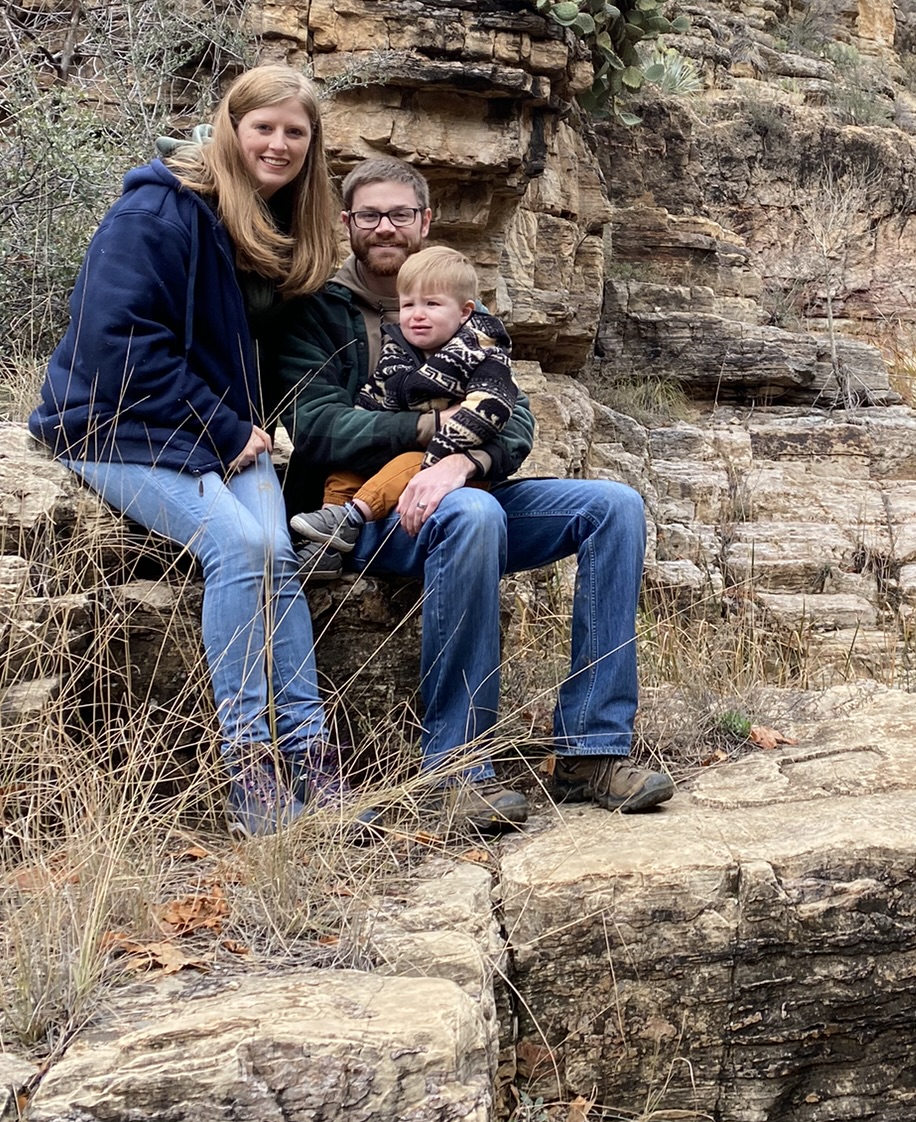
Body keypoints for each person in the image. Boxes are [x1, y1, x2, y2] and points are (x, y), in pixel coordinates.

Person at [274, 154, 672, 824]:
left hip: (459, 490)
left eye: (401, 214)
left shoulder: (463, 306)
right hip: (360, 515)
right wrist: (429, 427)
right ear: (346, 223)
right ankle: (455, 772)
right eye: (370, 214)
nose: (385, 226)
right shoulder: (316, 309)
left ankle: (590, 752)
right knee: (474, 516)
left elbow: (514, 418)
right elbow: (311, 425)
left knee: (615, 508)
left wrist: (461, 463)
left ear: (424, 220)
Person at [30, 65, 343, 836]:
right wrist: (229, 427)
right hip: (107, 423)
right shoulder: (157, 211)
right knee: (236, 543)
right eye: (262, 126)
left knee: (275, 547)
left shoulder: (249, 217)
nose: (277, 143)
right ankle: (249, 764)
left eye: (294, 132)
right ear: (230, 129)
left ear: (311, 147)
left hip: (201, 431)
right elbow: (118, 344)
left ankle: (308, 747)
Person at [287, 244, 523, 573]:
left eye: (432, 304)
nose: (418, 314)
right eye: (408, 305)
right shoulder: (399, 350)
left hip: (450, 465)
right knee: (344, 472)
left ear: (466, 311)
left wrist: (443, 446)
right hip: (397, 454)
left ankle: (352, 517)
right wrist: (385, 433)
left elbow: (493, 404)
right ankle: (327, 545)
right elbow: (373, 400)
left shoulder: (482, 351)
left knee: (410, 463)